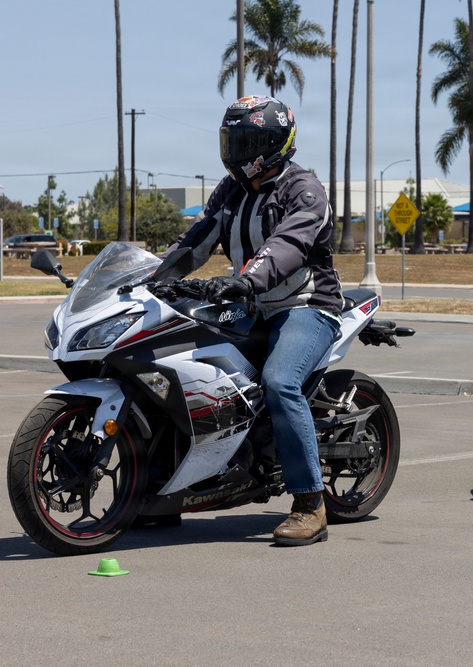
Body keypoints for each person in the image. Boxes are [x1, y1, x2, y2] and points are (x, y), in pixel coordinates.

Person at [167, 95, 343, 543]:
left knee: (280, 381)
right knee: (180, 365)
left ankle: (310, 503)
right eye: (234, 140)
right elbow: (194, 244)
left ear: (276, 142)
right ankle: (164, 489)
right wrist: (150, 278)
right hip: (248, 304)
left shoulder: (303, 190)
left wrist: (248, 279)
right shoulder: (230, 192)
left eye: (249, 142)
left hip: (306, 307)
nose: (239, 152)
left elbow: (288, 245)